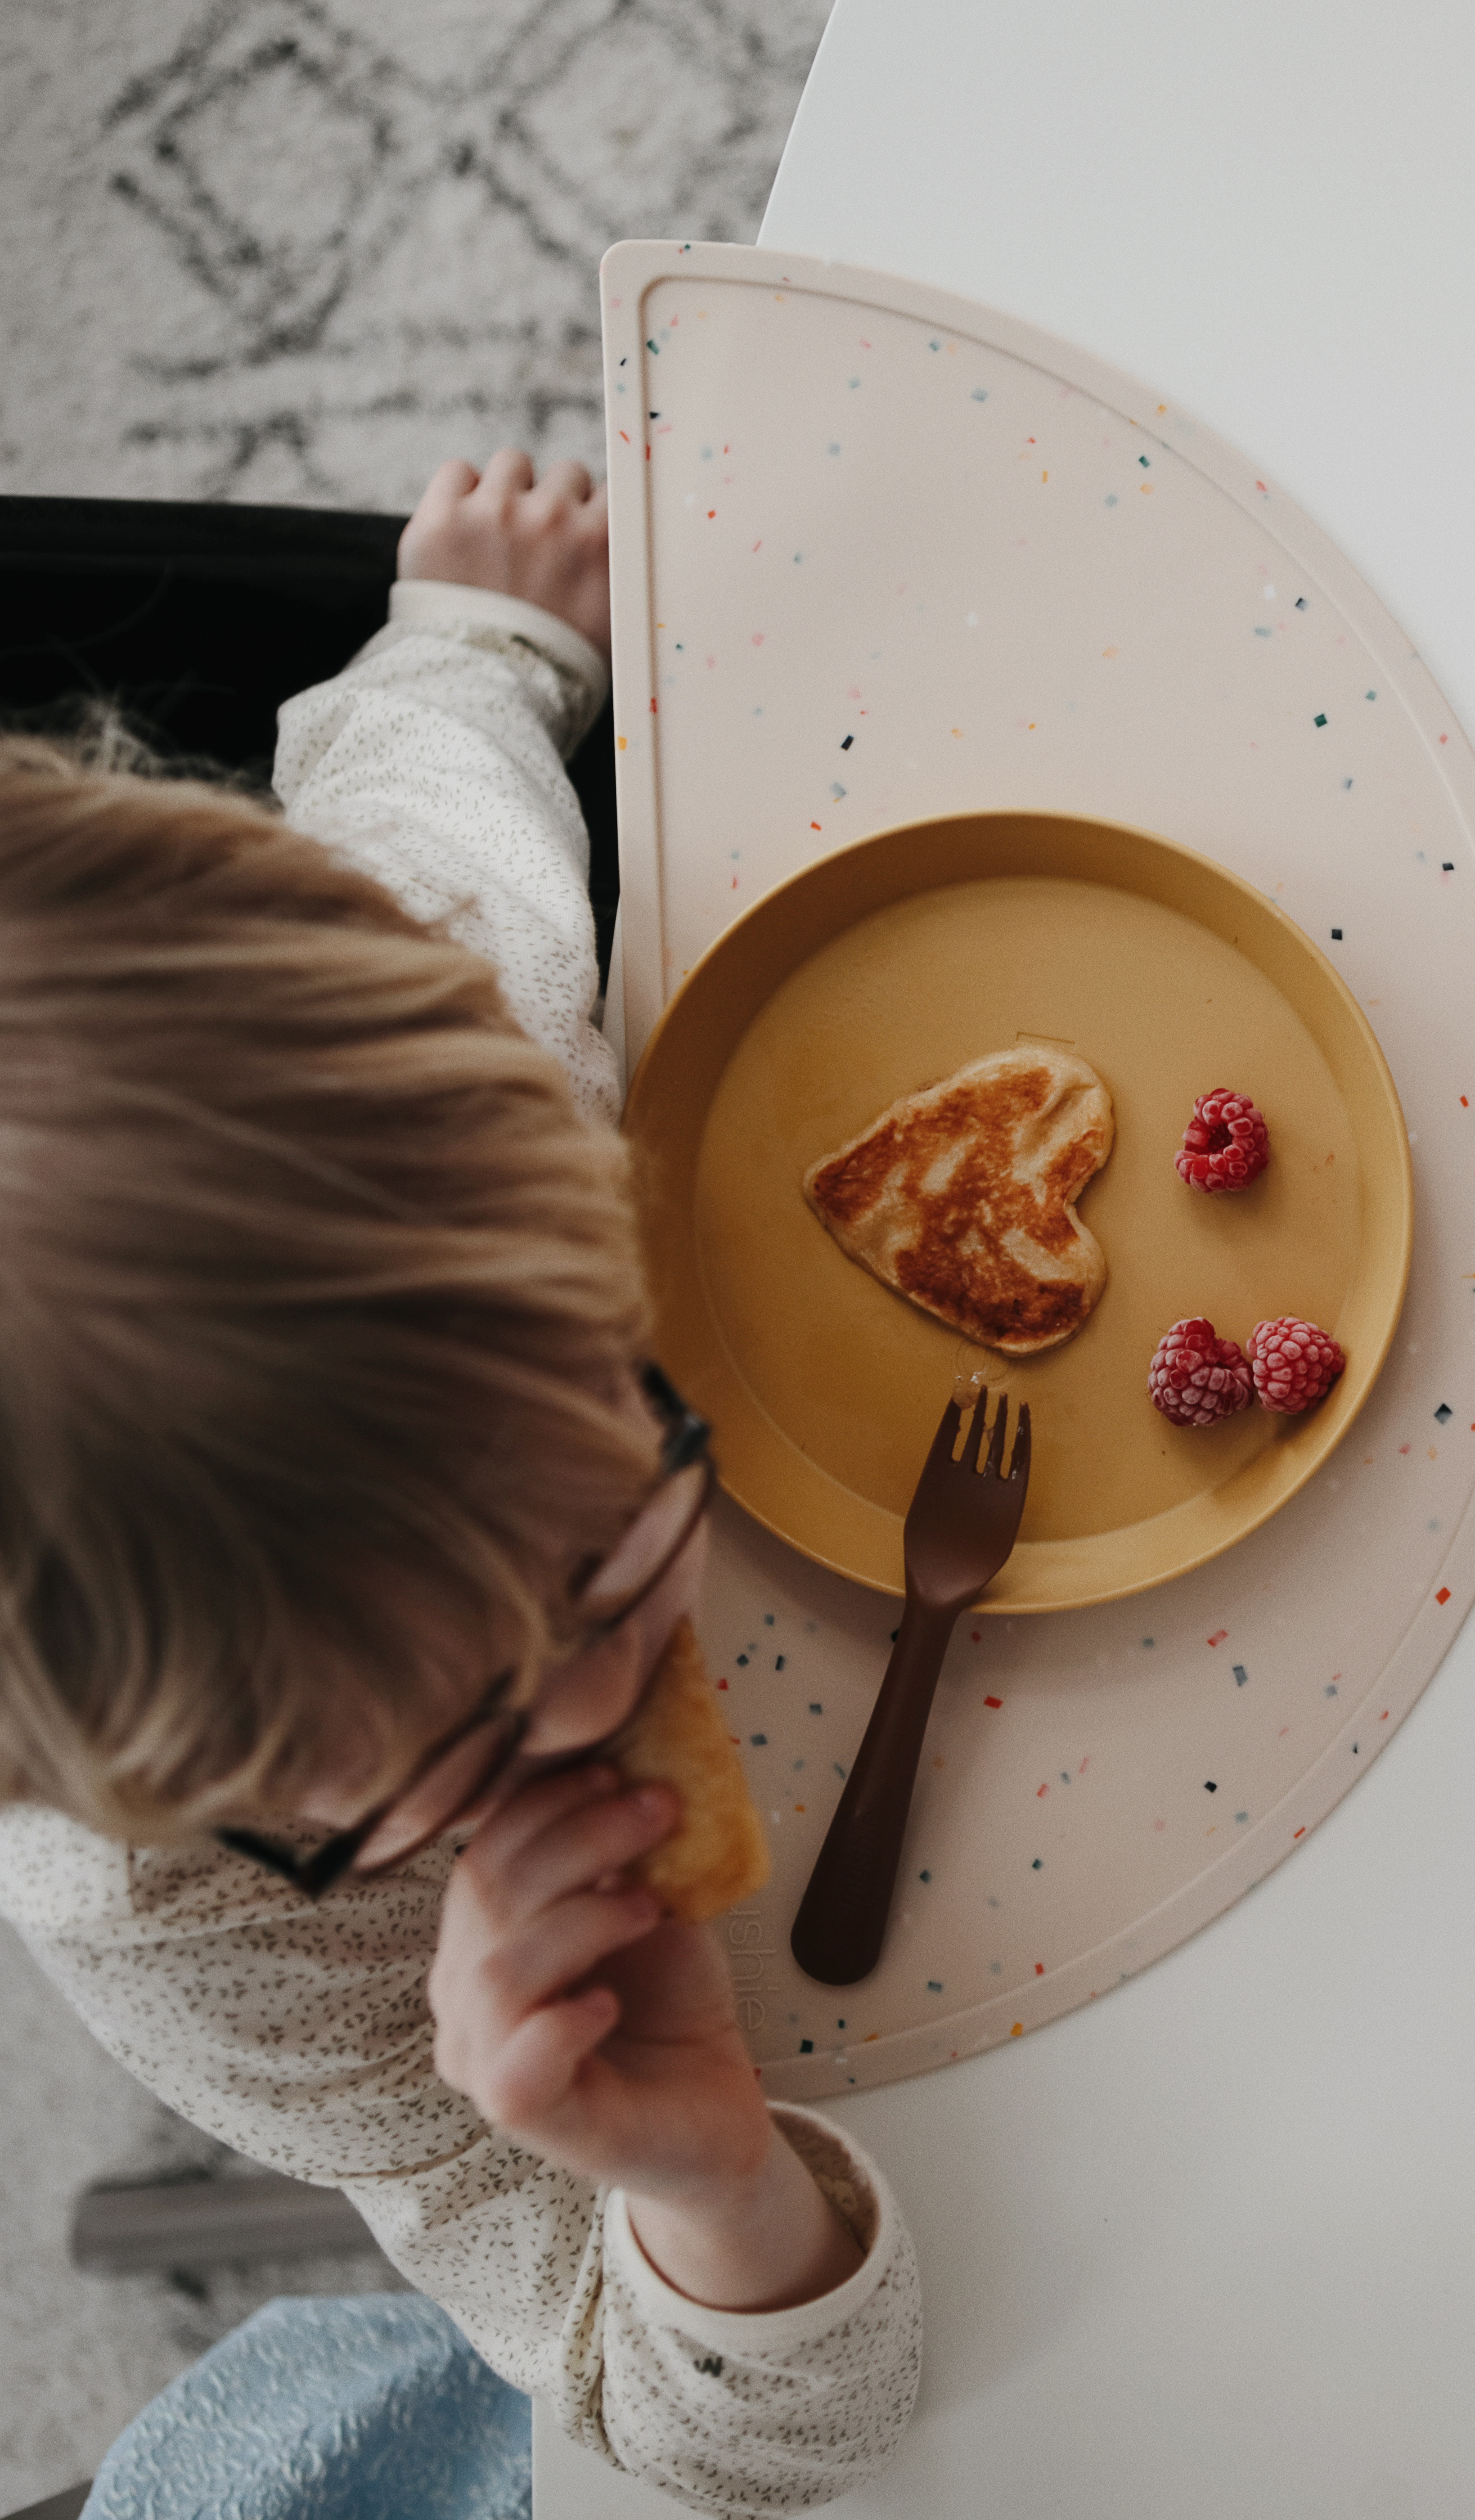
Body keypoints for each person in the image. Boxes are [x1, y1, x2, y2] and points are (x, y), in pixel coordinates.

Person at [0, 453, 918, 2514]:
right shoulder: (179, 1919)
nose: (601, 1710)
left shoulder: (485, 1053)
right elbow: (710, 2432)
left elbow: (419, 806)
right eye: (438, 1748)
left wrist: (480, 637)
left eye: (606, 1548)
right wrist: (701, 2184)